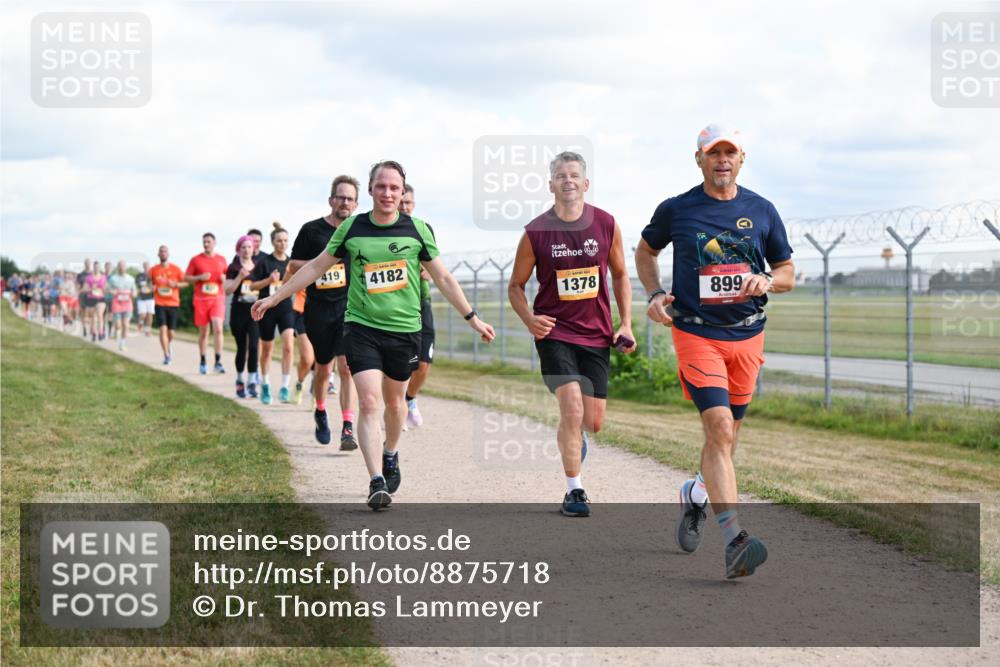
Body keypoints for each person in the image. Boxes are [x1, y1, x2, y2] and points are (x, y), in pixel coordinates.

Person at [253, 160, 496, 510]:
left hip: (404, 330)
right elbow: (317, 266)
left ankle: (391, 453)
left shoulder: (417, 230)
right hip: (361, 327)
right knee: (368, 401)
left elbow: (443, 278)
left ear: (402, 192)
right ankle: (376, 480)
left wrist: (471, 317)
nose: (387, 193)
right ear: (370, 190)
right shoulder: (352, 229)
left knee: (395, 404)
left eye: (394, 188)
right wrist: (276, 297)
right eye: (381, 186)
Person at [634, 123, 795, 579]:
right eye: (713, 153)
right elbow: (645, 252)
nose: (722, 160)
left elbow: (787, 271)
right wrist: (653, 292)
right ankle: (736, 540)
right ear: (699, 159)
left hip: (747, 334)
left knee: (728, 438)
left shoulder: (762, 210)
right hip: (695, 331)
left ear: (742, 159)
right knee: (719, 427)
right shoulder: (678, 209)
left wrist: (768, 280)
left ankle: (696, 495)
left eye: (730, 153)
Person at [508, 151, 637, 518]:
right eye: (560, 176)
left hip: (596, 334)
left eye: (574, 175)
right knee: (572, 406)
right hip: (554, 332)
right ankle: (574, 491)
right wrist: (530, 320)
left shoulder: (606, 224)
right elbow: (515, 286)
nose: (568, 181)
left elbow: (621, 275)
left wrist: (624, 324)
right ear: (551, 185)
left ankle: (573, 436)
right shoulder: (536, 232)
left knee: (592, 422)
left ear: (585, 183)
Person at [285, 175, 362, 449]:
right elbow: (293, 264)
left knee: (346, 369)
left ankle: (348, 427)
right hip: (318, 309)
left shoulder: (359, 231)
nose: (345, 202)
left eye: (350, 198)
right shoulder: (312, 230)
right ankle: (319, 410)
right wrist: (324, 263)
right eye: (340, 197)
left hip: (349, 307)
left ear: (356, 204)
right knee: (323, 367)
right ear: (331, 200)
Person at [399, 184, 436, 428]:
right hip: (397, 306)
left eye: (408, 203)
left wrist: (428, 272)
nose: (404, 207)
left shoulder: (423, 229)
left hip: (421, 303)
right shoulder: (382, 233)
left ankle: (409, 399)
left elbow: (434, 265)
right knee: (399, 363)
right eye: (401, 202)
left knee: (423, 365)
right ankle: (396, 407)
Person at [251, 223, 296, 404]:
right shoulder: (264, 262)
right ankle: (265, 383)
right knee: (267, 350)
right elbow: (252, 286)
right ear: (272, 242)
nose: (282, 244)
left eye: (285, 240)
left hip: (285, 308)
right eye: (279, 241)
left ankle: (285, 386)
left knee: (288, 346)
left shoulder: (291, 263)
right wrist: (268, 280)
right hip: (267, 310)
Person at [185, 233, 228, 374]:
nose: (206, 244)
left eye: (209, 241)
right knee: (204, 332)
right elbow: (186, 278)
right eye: (204, 242)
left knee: (218, 328)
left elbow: (228, 278)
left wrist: (224, 278)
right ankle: (203, 361)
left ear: (214, 243)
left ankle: (218, 361)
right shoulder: (196, 260)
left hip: (217, 298)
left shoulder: (221, 260)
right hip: (201, 300)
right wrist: (199, 277)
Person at [224, 236, 261, 398]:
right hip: (238, 310)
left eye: (249, 247)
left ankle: (252, 381)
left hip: (255, 311)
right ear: (238, 250)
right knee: (242, 347)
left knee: (254, 347)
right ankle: (240, 379)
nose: (246, 250)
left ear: (254, 249)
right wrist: (239, 276)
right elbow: (227, 291)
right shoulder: (233, 267)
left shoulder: (259, 266)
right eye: (243, 247)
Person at [150, 245, 186, 365]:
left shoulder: (176, 269)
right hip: (159, 303)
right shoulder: (153, 270)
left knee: (171, 332)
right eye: (161, 251)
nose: (163, 253)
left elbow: (186, 283)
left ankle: (167, 344)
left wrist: (176, 285)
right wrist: (151, 287)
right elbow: (147, 284)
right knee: (163, 329)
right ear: (158, 254)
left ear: (168, 254)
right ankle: (166, 355)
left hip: (173, 303)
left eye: (165, 251)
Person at [107, 260, 137, 350]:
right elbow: (107, 289)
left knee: (126, 325)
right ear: (118, 267)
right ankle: (117, 332)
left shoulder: (131, 278)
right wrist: (113, 292)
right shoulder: (113, 278)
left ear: (125, 267)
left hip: (127, 303)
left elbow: (134, 290)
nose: (121, 267)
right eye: (120, 266)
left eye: (123, 266)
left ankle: (122, 343)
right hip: (117, 303)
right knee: (118, 325)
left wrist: (134, 294)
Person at [84, 265, 108, 341]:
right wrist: (91, 289)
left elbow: (106, 288)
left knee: (100, 315)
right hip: (91, 298)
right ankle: (94, 333)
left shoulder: (103, 277)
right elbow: (85, 289)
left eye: (98, 267)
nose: (96, 269)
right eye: (95, 267)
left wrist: (104, 290)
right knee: (93, 317)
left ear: (99, 268)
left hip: (101, 298)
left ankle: (100, 332)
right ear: (93, 268)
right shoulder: (89, 277)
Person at [135, 261, 155, 335]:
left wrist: (152, 287)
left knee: (150, 314)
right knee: (143, 314)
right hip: (141, 298)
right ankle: (140, 323)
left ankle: (147, 330)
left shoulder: (153, 276)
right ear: (143, 267)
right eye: (145, 266)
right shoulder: (139, 276)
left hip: (150, 298)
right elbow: (136, 286)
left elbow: (155, 286)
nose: (146, 267)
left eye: (148, 266)